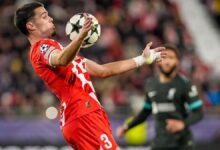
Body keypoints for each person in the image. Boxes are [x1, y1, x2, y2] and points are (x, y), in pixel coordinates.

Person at [14, 2, 165, 150]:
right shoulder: (41, 48)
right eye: (44, 16)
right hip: (82, 115)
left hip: (85, 115)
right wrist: (80, 37)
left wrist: (142, 59)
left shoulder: (62, 51)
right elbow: (61, 59)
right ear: (31, 26)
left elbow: (103, 71)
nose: (51, 18)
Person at [117, 45, 203, 150]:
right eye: (164, 57)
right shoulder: (150, 83)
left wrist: (182, 123)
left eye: (171, 58)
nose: (167, 61)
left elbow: (199, 112)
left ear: (177, 62)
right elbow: (146, 111)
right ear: (158, 60)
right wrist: (127, 127)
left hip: (182, 144)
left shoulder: (185, 84)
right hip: (159, 143)